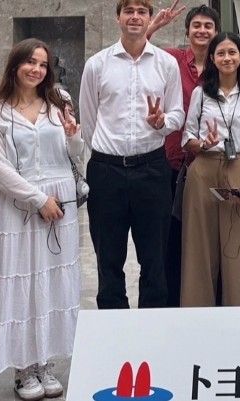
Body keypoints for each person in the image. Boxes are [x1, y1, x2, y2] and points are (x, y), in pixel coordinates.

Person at [0, 38, 83, 400]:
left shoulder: (60, 102)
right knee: (20, 281)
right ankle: (23, 368)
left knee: (53, 280)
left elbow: (76, 154)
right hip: (19, 205)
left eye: (42, 64)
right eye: (30, 62)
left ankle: (44, 361)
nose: (36, 69)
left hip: (61, 199)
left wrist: (74, 138)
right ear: (15, 66)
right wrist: (38, 199)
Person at [79, 0, 184, 309]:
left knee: (154, 259)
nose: (135, 17)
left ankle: (151, 332)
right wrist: (105, 151)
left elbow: (177, 112)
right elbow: (89, 121)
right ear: (118, 18)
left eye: (142, 11)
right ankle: (115, 329)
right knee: (108, 258)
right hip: (106, 171)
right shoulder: (98, 64)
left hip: (152, 170)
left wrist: (162, 122)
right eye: (129, 11)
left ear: (149, 18)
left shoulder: (165, 63)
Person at [180, 32, 240, 306]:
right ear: (212, 58)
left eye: (232, 52)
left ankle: (234, 316)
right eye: (221, 53)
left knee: (234, 248)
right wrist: (203, 144)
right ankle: (197, 316)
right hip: (203, 170)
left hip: (238, 169)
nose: (227, 58)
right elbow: (187, 137)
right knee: (199, 249)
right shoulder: (201, 94)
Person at [146, 2, 221, 307]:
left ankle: (212, 302)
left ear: (216, 32)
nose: (202, 31)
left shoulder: (223, 63)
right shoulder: (173, 59)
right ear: (188, 30)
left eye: (208, 26)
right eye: (197, 25)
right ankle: (174, 304)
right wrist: (154, 26)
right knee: (171, 238)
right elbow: (139, 51)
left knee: (208, 240)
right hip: (173, 162)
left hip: (211, 165)